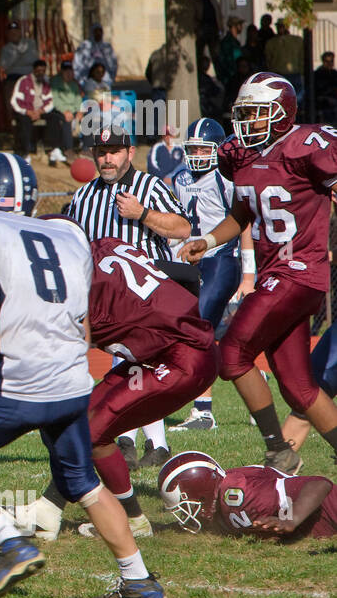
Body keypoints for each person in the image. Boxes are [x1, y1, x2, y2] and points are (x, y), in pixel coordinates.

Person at [0, 152, 167, 598]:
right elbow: (83, 325)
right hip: (71, 381)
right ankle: (141, 582)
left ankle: (10, 544)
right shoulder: (67, 232)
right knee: (83, 482)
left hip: (16, 382)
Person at [181, 73, 337, 475]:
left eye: (255, 112)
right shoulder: (241, 155)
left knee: (231, 355)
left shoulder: (309, 146)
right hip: (278, 273)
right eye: (243, 113)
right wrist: (209, 240)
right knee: (298, 387)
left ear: (282, 114)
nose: (246, 121)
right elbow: (242, 213)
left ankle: (277, 450)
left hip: (298, 271)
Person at [19, 232, 219, 541]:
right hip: (170, 350)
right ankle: (49, 509)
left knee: (94, 433)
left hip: (182, 362)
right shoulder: (107, 246)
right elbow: (187, 274)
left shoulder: (86, 298)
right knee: (81, 422)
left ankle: (133, 520)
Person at [64, 126, 190, 466]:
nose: (107, 158)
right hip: (104, 296)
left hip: (147, 292)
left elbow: (182, 228)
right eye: (102, 152)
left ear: (130, 153)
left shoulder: (149, 186)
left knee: (140, 360)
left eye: (115, 151)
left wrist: (143, 214)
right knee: (126, 363)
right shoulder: (84, 196)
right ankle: (139, 442)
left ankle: (139, 441)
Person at [168, 119, 255, 432]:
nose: (198, 155)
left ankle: (203, 412)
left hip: (221, 259)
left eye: (205, 148)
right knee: (219, 336)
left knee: (199, 329)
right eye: (193, 149)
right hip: (190, 261)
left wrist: (248, 273)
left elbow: (243, 223)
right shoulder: (179, 177)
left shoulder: (225, 178)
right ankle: (254, 381)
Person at [158, 450, 337, 540]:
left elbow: (320, 484)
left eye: (187, 506)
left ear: (203, 496)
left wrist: (291, 519)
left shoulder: (241, 495)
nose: (187, 514)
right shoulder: (222, 496)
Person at [11, 60, 61, 164]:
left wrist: (40, 111)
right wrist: (27, 112)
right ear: (34, 70)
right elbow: (14, 101)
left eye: (43, 71)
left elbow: (50, 101)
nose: (40, 73)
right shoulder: (23, 81)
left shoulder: (46, 83)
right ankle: (25, 153)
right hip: (26, 111)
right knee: (24, 122)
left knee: (55, 118)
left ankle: (54, 149)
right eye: (38, 70)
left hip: (40, 111)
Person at [316, 51, 337, 125]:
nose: (329, 64)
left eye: (331, 61)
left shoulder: (334, 73)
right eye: (327, 61)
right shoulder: (317, 74)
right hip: (322, 102)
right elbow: (316, 92)